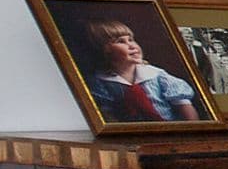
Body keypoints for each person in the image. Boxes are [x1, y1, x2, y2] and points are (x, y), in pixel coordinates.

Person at [78, 16, 206, 123]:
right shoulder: (100, 82)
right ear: (104, 50)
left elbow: (184, 107)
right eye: (121, 41)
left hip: (168, 129)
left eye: (131, 40)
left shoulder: (156, 75)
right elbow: (107, 114)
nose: (131, 45)